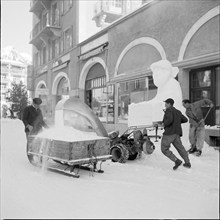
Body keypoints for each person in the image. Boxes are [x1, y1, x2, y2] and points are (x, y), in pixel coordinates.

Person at [161, 98, 191, 170]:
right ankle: (187, 162)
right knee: (180, 148)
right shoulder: (178, 111)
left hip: (169, 133)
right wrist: (176, 122)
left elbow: (170, 120)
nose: (165, 104)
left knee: (164, 149)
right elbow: (185, 120)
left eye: (166, 103)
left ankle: (176, 160)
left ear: (169, 104)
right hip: (176, 134)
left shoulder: (168, 110)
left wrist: (164, 124)